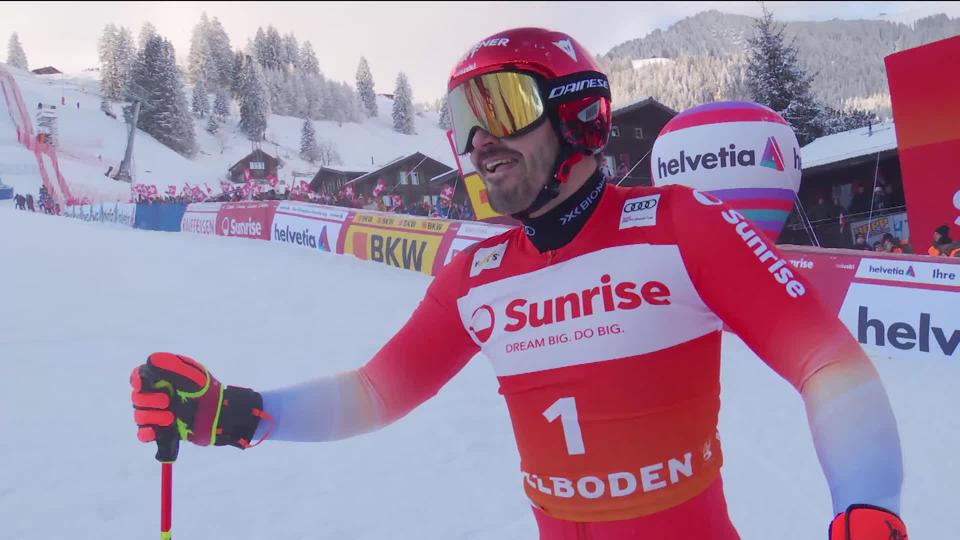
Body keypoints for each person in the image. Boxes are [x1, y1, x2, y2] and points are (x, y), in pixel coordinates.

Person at [129, 28, 906, 540]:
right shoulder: (477, 274)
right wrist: (241, 414)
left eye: (499, 106)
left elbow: (830, 364)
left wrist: (866, 508)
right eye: (461, 119)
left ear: (581, 117)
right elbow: (377, 390)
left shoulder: (680, 223)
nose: (477, 143)